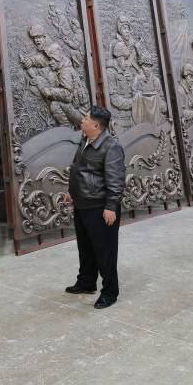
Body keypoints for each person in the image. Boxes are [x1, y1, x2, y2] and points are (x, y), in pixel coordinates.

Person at [64, 106, 125, 309]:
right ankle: (86, 282)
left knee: (105, 252)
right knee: (85, 248)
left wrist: (111, 206)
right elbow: (78, 168)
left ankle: (110, 292)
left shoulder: (111, 147)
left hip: (100, 207)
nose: (82, 120)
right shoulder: (85, 140)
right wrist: (71, 191)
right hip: (82, 203)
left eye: (86, 118)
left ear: (96, 125)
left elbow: (116, 180)